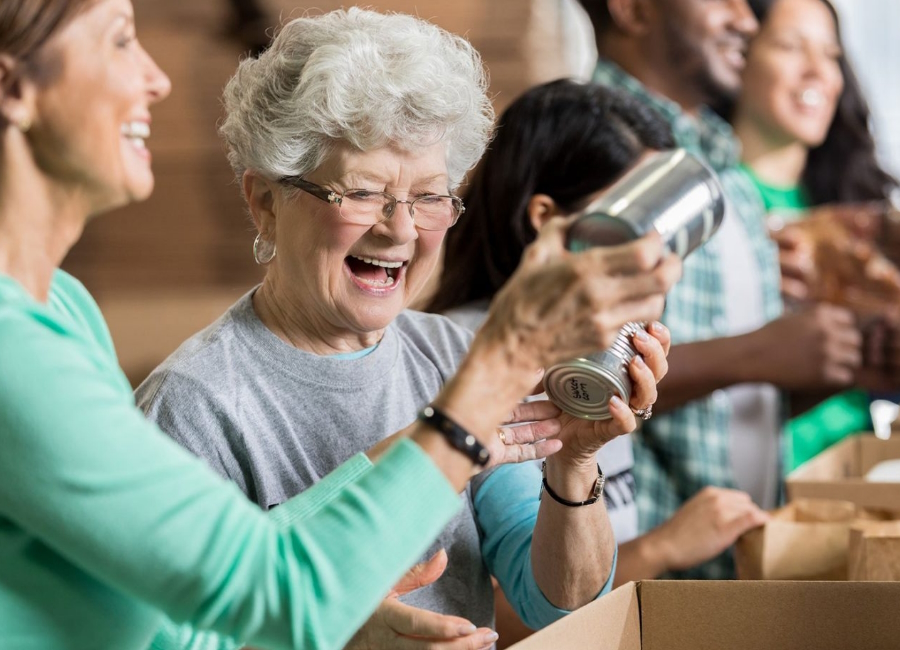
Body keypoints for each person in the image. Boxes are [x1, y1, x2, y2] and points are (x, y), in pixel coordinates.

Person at [0, 2, 680, 649]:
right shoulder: (189, 400)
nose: (401, 228)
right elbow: (228, 609)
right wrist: (502, 361)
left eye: (429, 197)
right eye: (361, 193)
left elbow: (560, 602)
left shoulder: (64, 306)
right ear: (265, 202)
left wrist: (573, 457)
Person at [430, 79, 768, 644]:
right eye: (635, 219)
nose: (652, 255)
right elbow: (477, 617)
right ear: (547, 219)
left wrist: (579, 455)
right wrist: (663, 548)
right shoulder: (462, 355)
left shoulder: (597, 356)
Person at [576, 0, 863, 578]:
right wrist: (761, 353)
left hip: (734, 566)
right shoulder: (590, 153)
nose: (748, 20)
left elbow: (729, 404)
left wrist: (824, 365)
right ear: (632, 10)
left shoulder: (722, 164)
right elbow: (580, 376)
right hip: (649, 582)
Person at [730, 0, 900, 469]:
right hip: (758, 479)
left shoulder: (863, 210)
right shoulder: (717, 208)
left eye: (830, 54)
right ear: (736, 54)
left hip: (859, 468)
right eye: (790, 47)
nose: (818, 72)